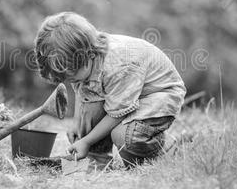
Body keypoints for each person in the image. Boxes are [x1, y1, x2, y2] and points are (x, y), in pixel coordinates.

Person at [34, 12, 186, 167]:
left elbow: (117, 114)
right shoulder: (84, 62)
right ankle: (97, 159)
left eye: (72, 75)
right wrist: (77, 122)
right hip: (126, 95)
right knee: (90, 104)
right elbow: (83, 94)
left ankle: (168, 148)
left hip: (158, 96)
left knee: (124, 137)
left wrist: (86, 140)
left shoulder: (119, 66)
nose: (70, 81)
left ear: (88, 55)